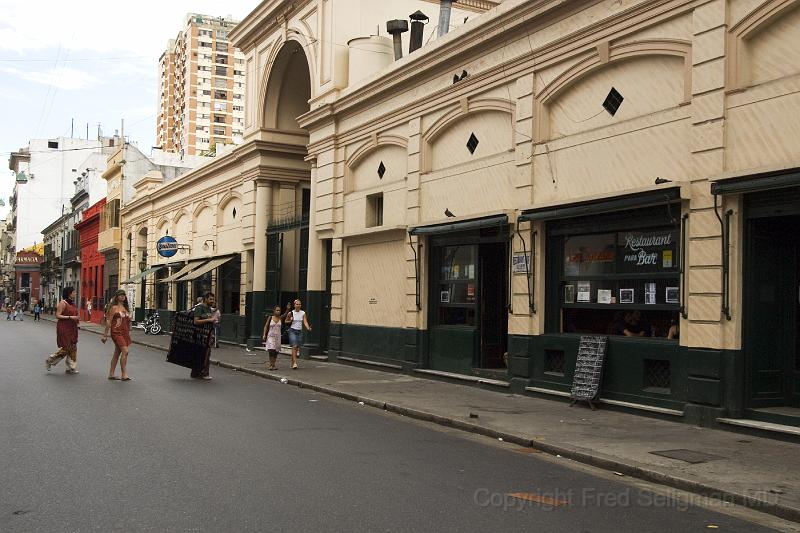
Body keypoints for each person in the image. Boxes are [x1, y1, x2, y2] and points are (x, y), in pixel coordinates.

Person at [45, 287, 80, 374]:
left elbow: (75, 315)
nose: (75, 294)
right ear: (69, 293)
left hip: (72, 327)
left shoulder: (72, 304)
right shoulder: (62, 303)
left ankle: (71, 367)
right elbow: (58, 315)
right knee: (66, 347)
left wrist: (77, 322)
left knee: (73, 347)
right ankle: (50, 360)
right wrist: (70, 317)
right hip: (64, 327)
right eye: (74, 292)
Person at [101, 290, 132, 381]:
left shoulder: (125, 308)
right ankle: (124, 374)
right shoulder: (114, 308)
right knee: (125, 351)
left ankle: (111, 374)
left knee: (117, 353)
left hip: (125, 332)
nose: (122, 296)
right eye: (120, 295)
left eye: (124, 295)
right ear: (117, 296)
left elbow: (127, 322)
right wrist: (105, 335)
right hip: (116, 332)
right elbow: (109, 322)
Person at [191, 292, 217, 380]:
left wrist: (213, 321)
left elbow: (208, 319)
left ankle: (203, 372)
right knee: (201, 354)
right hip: (200, 335)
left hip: (208, 334)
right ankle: (199, 372)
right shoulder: (199, 307)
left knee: (207, 354)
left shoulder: (209, 309)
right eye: (210, 299)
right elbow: (196, 321)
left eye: (213, 299)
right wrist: (209, 319)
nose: (212, 301)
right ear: (205, 299)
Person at [285, 299, 311, 370]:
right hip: (292, 330)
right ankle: (295, 363)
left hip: (299, 331)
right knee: (294, 346)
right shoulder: (291, 313)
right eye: (297, 304)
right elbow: (285, 321)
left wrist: (308, 327)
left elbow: (305, 321)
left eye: (299, 304)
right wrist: (290, 320)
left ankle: (292, 362)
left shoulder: (303, 313)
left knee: (296, 348)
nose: (298, 305)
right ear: (294, 305)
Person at [262, 305, 283, 370]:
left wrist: (288, 309)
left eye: (279, 310)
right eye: (277, 310)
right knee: (271, 350)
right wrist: (264, 335)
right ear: (274, 311)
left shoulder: (280, 318)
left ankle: (273, 364)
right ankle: (271, 364)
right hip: (270, 336)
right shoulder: (270, 318)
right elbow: (266, 326)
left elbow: (285, 315)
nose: (278, 311)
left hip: (278, 337)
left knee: (276, 351)